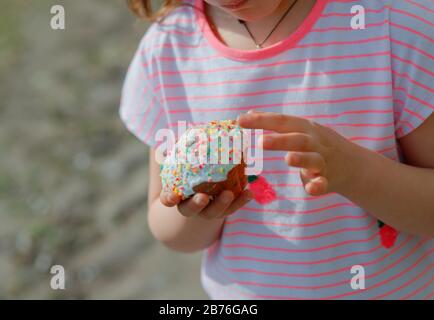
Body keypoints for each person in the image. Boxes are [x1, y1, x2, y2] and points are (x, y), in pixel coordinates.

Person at [120, 0, 434, 299]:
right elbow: (169, 230)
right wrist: (197, 207)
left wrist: (355, 172)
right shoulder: (167, 48)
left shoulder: (393, 25)